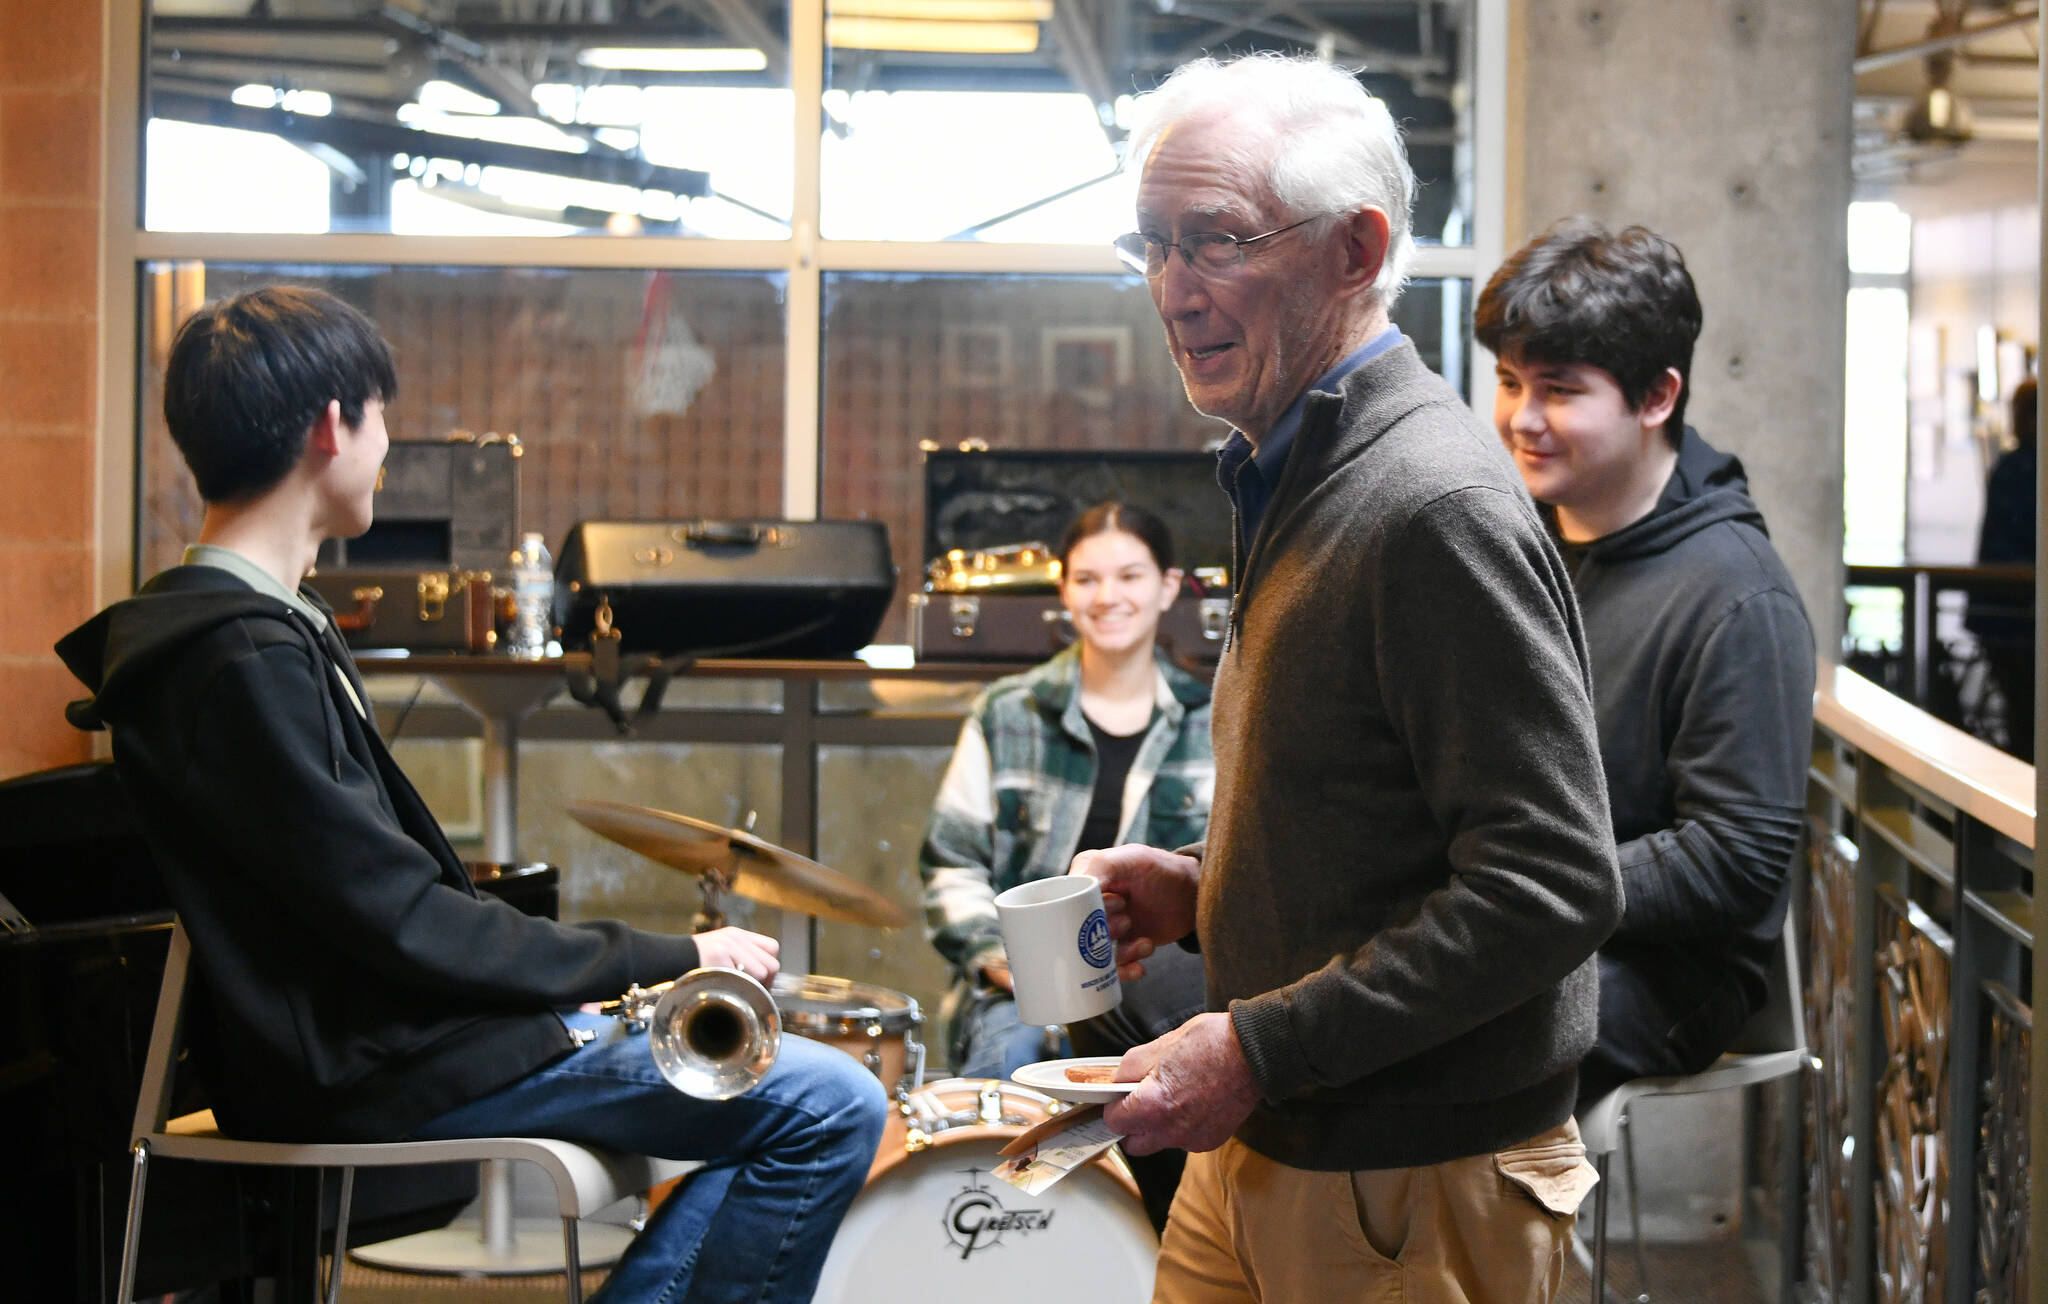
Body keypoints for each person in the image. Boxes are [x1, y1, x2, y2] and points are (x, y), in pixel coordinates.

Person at [55, 286, 887, 1304]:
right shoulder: (238, 657)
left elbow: (375, 909)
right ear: (331, 426)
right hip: (373, 1070)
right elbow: (402, 919)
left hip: (386, 1042)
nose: (386, 447)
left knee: (797, 1096)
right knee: (831, 1103)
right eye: (382, 417)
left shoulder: (252, 631)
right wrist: (673, 954)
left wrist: (581, 982)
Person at [1074, 54, 1621, 1304]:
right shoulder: (1293, 464)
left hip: (1406, 1177)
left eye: (1213, 241)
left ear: (1354, 249)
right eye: (1151, 243)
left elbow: (1550, 882)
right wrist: (1205, 891)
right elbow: (1372, 812)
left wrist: (1257, 1045)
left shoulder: (1427, 503)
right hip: (1274, 1136)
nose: (1171, 289)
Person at [1474, 219, 1817, 1113]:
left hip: (1661, 971)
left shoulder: (1739, 593)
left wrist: (1521, 889)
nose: (1523, 419)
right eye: (1510, 383)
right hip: (1517, 918)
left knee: (1389, 1047)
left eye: (1560, 390)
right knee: (1181, 997)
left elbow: (1736, 857)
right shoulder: (1524, 538)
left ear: (1657, 396)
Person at [919, 501, 1212, 1230]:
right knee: (1004, 1097)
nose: (1108, 596)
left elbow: (1230, 878)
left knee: (1172, 1115)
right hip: (1017, 996)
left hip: (1152, 997)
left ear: (1168, 587)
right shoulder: (1006, 712)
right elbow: (951, 867)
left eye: (1129, 576)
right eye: (1087, 579)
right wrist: (1004, 964)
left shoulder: (1216, 717)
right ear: (1063, 589)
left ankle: (1162, 1255)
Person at [1968, 377, 2037, 758]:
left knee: (2021, 719)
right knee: (2025, 718)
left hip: (2001, 615)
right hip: (2016, 617)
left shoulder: (2010, 466)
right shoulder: (2023, 468)